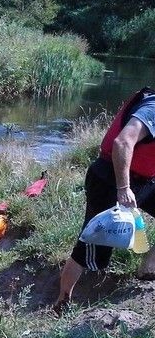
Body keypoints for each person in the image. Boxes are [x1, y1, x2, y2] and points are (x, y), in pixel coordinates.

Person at [55, 87, 155, 314]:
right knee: (89, 246)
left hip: (144, 180)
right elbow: (122, 143)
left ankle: (149, 268)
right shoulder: (153, 109)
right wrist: (124, 188)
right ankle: (62, 302)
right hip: (111, 180)